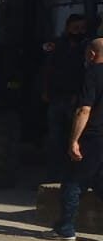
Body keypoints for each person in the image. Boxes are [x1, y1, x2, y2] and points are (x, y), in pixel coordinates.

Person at [45, 38, 103, 241]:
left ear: (92, 55)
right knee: (99, 182)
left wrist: (74, 140)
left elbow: (84, 109)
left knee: (73, 181)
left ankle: (66, 227)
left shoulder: (93, 74)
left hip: (94, 136)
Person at [43, 15, 93, 178]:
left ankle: (73, 175)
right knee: (54, 138)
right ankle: (53, 174)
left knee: (74, 138)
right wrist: (46, 90)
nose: (79, 32)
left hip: (76, 100)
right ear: (68, 28)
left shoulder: (87, 48)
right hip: (57, 98)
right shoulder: (58, 46)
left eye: (82, 28)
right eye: (75, 28)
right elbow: (48, 70)